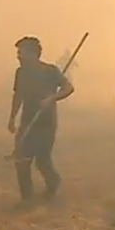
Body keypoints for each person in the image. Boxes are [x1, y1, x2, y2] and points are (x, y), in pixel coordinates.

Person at [7, 36, 75, 206]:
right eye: (18, 53)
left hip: (46, 123)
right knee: (21, 159)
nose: (18, 56)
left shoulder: (50, 71)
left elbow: (68, 88)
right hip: (27, 120)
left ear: (32, 54)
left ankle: (53, 185)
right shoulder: (20, 73)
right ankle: (27, 199)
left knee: (42, 160)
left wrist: (52, 98)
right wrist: (12, 118)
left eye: (21, 53)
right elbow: (18, 96)